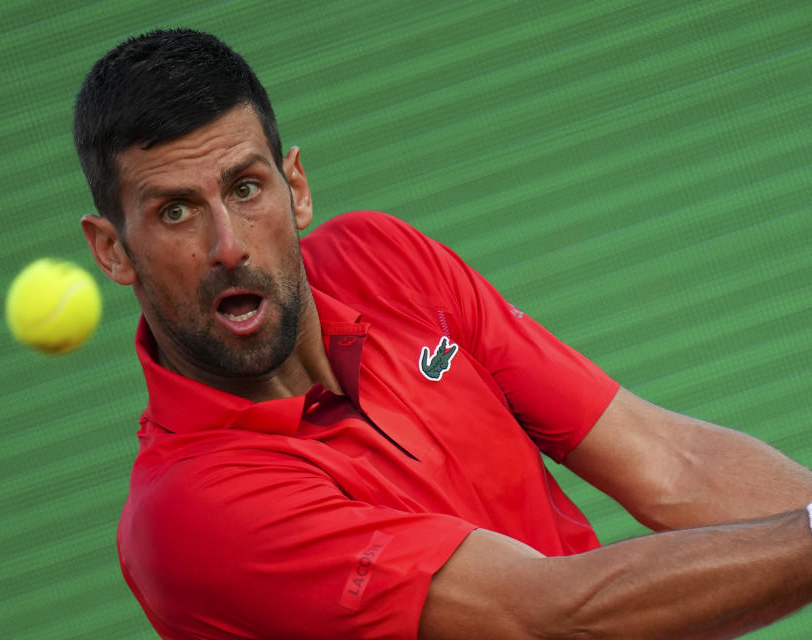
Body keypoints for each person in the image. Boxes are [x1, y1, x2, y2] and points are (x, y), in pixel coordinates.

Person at [73, 28, 812, 639]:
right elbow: (548, 618)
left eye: (245, 187)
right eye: (175, 211)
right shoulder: (189, 515)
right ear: (112, 249)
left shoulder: (382, 261)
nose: (228, 244)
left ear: (294, 188)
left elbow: (672, 465)